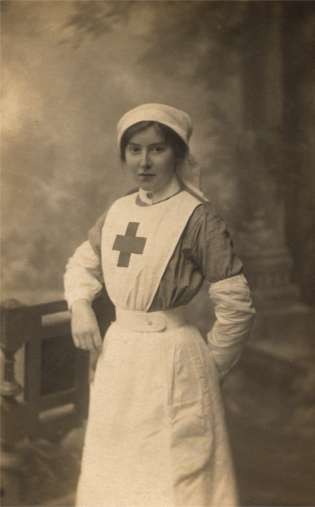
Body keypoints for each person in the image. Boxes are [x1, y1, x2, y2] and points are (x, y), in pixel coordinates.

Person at [64, 103, 255, 507]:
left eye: (157, 149)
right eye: (135, 149)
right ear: (124, 155)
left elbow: (235, 304)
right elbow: (82, 264)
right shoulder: (117, 212)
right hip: (120, 358)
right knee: (116, 470)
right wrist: (80, 304)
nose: (144, 162)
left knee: (175, 473)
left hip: (173, 358)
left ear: (178, 154)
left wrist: (211, 364)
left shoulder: (197, 218)